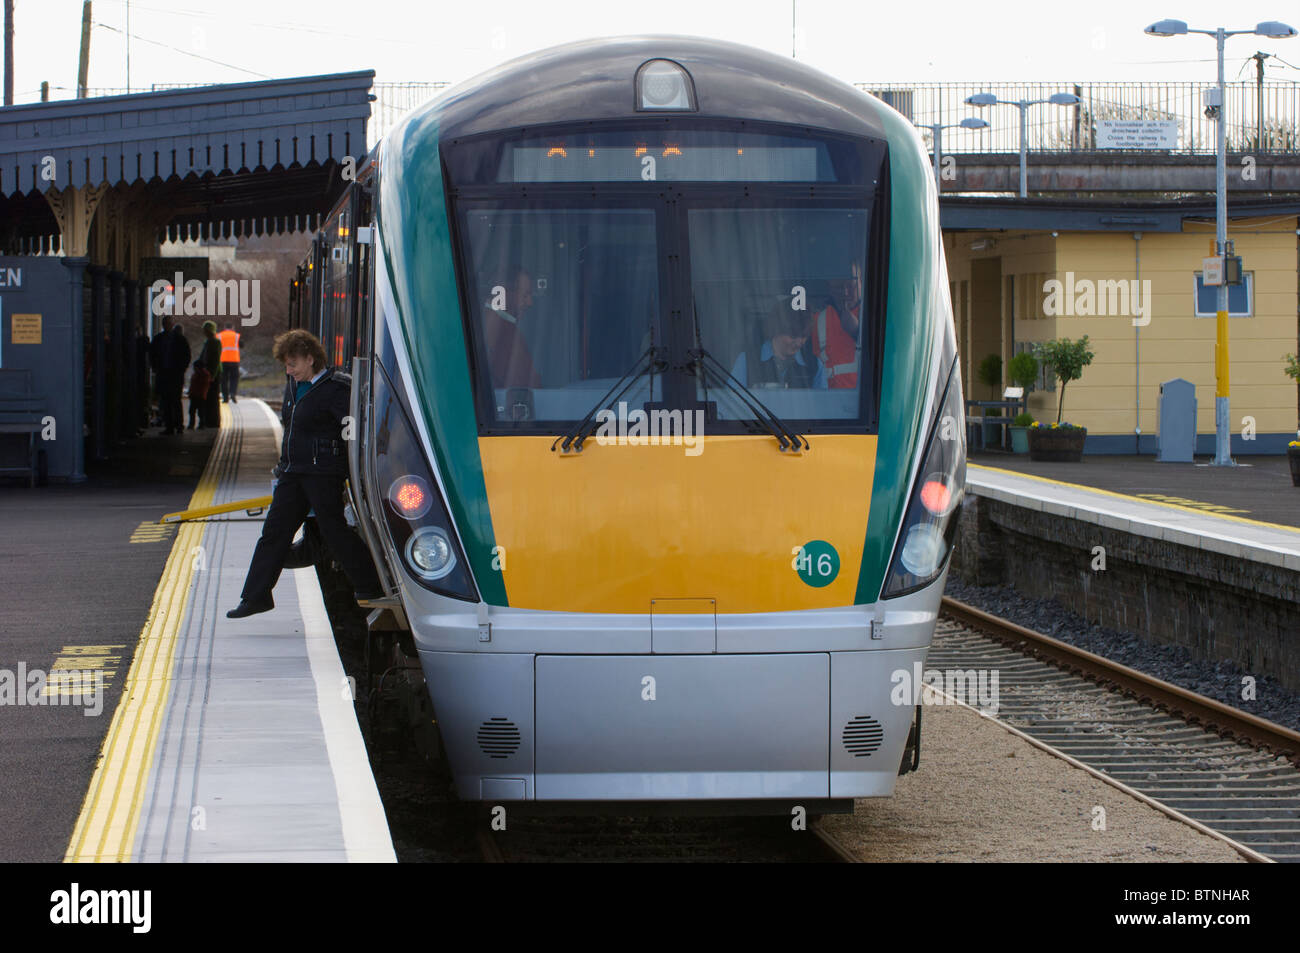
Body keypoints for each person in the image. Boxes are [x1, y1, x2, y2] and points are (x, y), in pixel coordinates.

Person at [227, 329, 382, 618]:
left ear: (310, 359)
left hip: (322, 473)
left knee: (333, 529)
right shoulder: (293, 385)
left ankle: (369, 584)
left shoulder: (337, 388)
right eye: (286, 365)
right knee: (274, 531)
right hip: (293, 472)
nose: (288, 370)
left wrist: (347, 471)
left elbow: (353, 431)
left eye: (293, 364)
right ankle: (255, 596)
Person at [730, 301, 826, 390]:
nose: (799, 342)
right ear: (776, 329)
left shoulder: (815, 365)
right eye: (793, 336)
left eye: (804, 336)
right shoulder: (746, 361)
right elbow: (731, 402)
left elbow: (822, 405)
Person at [481, 264, 541, 389]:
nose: (530, 303)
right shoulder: (503, 331)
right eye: (525, 295)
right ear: (505, 293)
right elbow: (524, 384)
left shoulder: (483, 322)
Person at [807, 261, 863, 390]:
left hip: (864, 402)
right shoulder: (817, 320)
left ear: (861, 282)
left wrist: (857, 332)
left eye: (851, 286)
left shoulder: (878, 316)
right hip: (828, 401)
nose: (845, 292)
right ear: (829, 288)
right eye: (838, 287)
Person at [148, 315, 191, 435]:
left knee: (175, 400)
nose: (167, 325)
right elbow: (152, 355)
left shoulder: (178, 339)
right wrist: (156, 367)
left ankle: (178, 425)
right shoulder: (162, 339)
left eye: (169, 323)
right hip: (165, 373)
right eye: (166, 323)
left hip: (174, 374)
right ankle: (171, 426)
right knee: (167, 401)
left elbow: (186, 355)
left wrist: (181, 369)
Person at [199, 321, 223, 428]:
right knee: (208, 398)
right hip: (208, 373)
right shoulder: (208, 341)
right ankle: (209, 420)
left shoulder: (215, 342)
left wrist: (212, 375)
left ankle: (213, 421)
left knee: (212, 398)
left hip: (214, 374)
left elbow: (216, 360)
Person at [218, 322, 241, 403]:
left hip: (223, 361)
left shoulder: (219, 336)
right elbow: (242, 345)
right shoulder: (236, 336)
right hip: (234, 360)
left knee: (223, 380)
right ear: (232, 327)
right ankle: (233, 393)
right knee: (234, 378)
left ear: (225, 327)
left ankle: (225, 397)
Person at [186, 359, 212, 430]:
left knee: (200, 411)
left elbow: (200, 385)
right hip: (196, 396)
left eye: (195, 367)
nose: (194, 369)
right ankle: (193, 424)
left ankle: (199, 424)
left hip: (200, 396)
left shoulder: (204, 375)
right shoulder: (197, 374)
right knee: (193, 411)